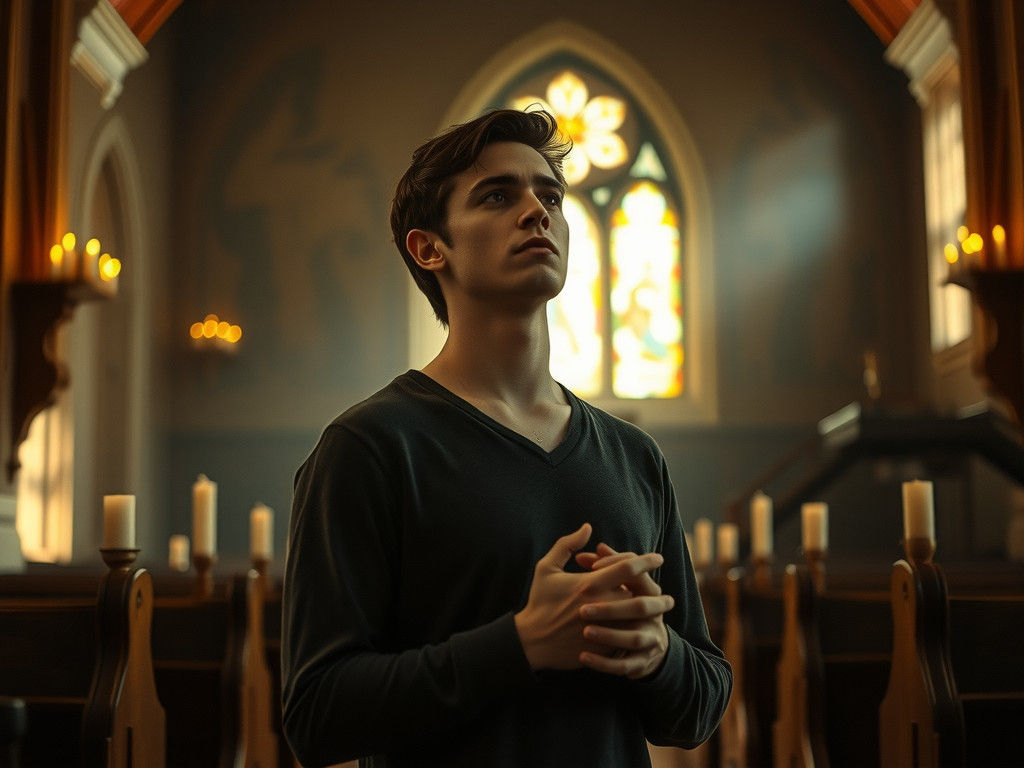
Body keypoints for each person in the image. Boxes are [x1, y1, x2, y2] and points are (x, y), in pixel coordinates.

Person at [282, 108, 731, 768]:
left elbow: (698, 709)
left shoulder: (634, 456)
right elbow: (316, 715)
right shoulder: (370, 447)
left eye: (550, 195)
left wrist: (658, 654)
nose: (536, 211)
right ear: (429, 247)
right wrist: (519, 644)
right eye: (498, 196)